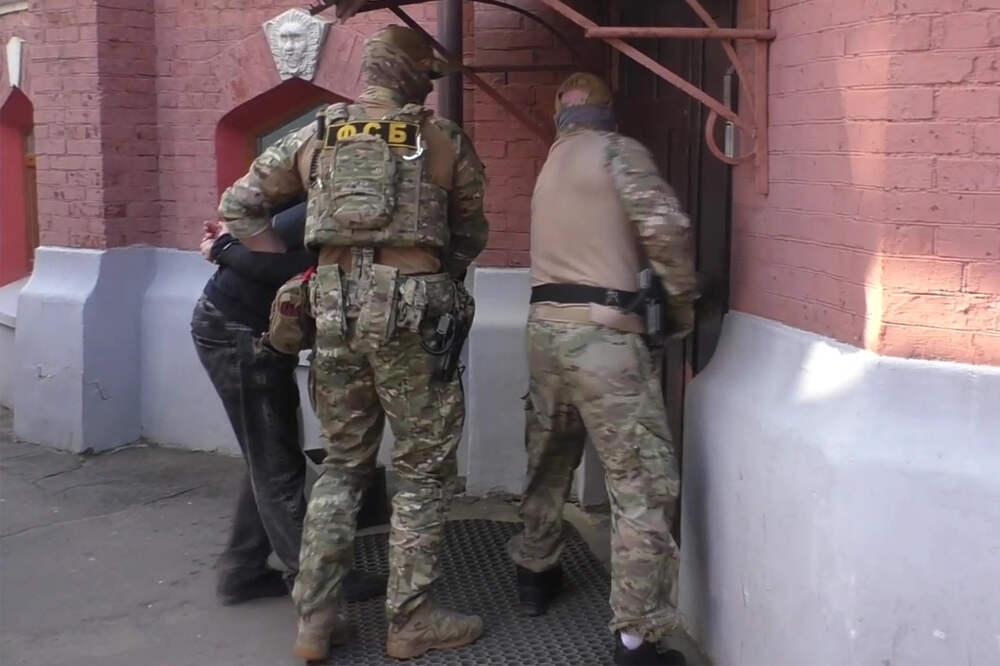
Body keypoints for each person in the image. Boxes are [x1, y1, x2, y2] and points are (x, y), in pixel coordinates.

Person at [214, 25, 489, 662]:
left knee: (342, 464)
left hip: (334, 312)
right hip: (413, 315)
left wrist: (292, 268)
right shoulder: (441, 138)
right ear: (414, 78)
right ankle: (411, 620)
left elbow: (240, 205)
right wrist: (436, 278)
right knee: (422, 470)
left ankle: (315, 621)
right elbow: (472, 231)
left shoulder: (318, 133)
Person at [506, 72, 698, 666]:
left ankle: (535, 574)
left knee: (548, 459)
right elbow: (665, 229)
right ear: (608, 109)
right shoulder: (618, 151)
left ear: (558, 113)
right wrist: (682, 303)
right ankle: (637, 639)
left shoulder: (551, 164)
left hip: (545, 331)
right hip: (605, 336)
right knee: (640, 481)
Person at [191, 200, 386, 606]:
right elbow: (288, 268)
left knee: (269, 456)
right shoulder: (333, 207)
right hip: (239, 332)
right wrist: (225, 248)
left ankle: (243, 570)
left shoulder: (330, 199)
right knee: (277, 464)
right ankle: (318, 579)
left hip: (244, 329)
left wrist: (225, 247)